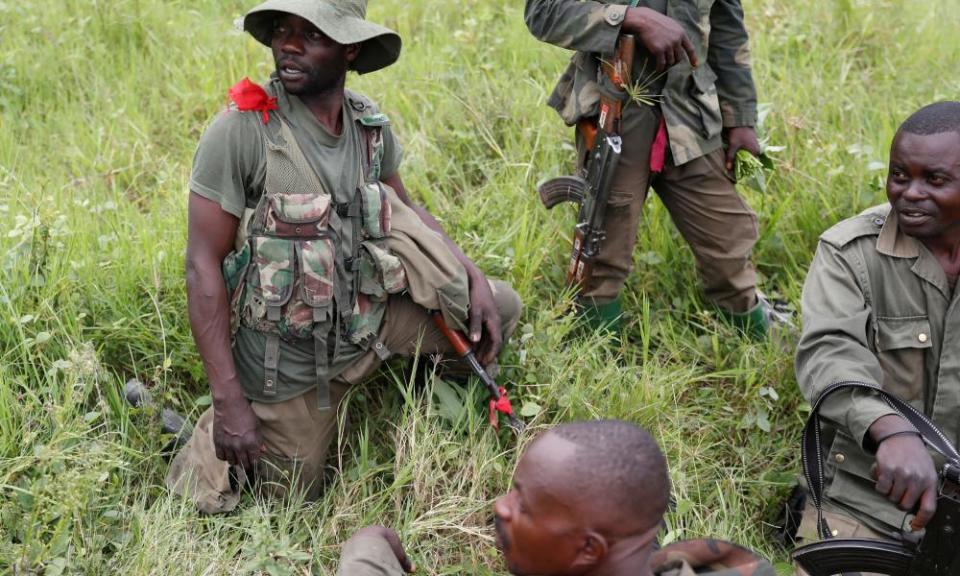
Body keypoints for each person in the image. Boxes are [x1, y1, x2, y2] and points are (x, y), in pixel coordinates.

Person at [166, 0, 522, 514]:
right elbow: (202, 264)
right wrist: (228, 402)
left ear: (350, 47)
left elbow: (408, 207)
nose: (288, 44)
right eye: (283, 30)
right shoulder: (242, 130)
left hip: (367, 323)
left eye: (311, 34)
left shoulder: (366, 123)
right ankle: (203, 436)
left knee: (497, 312)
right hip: (285, 362)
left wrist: (471, 278)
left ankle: (409, 396)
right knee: (288, 507)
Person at [523, 0, 784, 338]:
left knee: (729, 238)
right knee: (601, 251)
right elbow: (543, 12)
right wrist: (631, 19)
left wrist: (741, 119)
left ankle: (753, 334)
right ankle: (593, 354)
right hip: (617, 111)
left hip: (690, 115)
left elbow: (726, 28)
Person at [793, 102, 960, 549]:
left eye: (936, 180)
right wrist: (890, 428)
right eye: (899, 175)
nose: (910, 193)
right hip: (870, 497)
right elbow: (828, 351)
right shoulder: (850, 252)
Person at [335, 420, 774, 576]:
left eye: (524, 505)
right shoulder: (730, 563)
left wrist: (367, 546)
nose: (500, 507)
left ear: (589, 549)